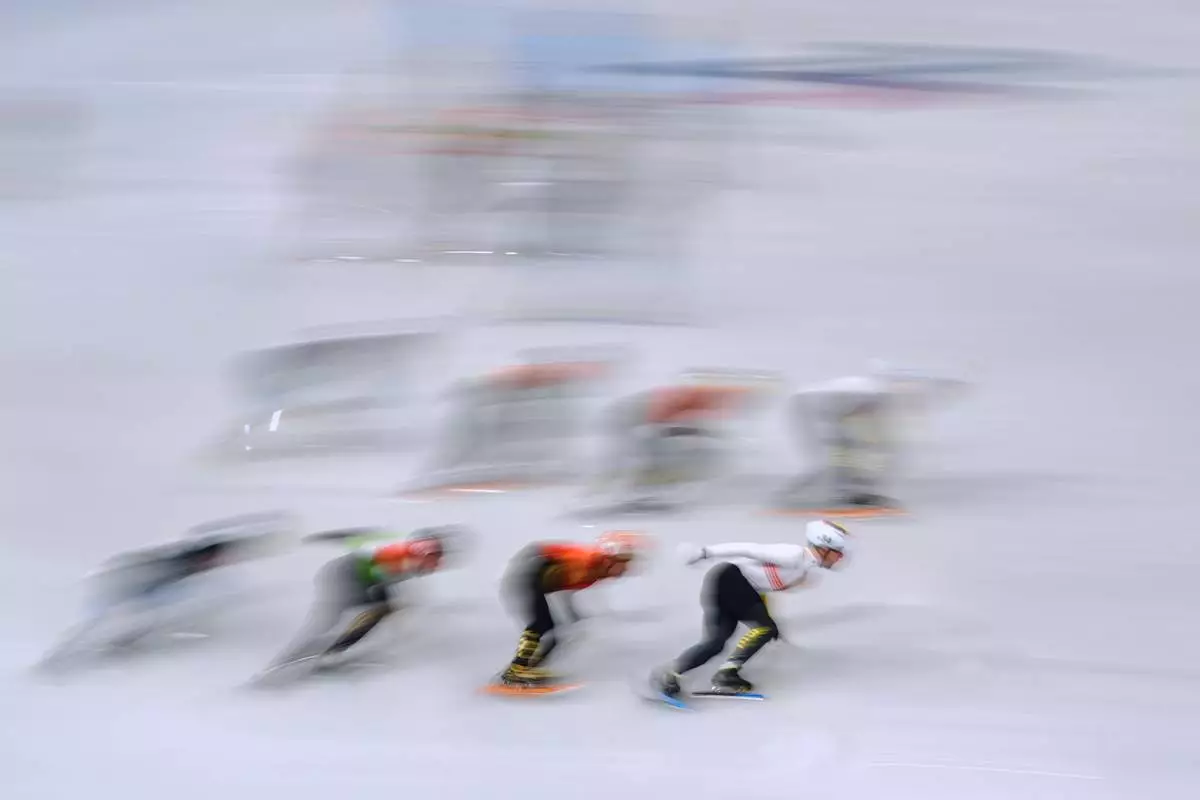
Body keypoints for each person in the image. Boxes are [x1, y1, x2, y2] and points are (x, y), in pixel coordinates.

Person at [40, 513, 289, 668]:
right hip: (128, 584)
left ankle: (122, 643)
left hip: (148, 591)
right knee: (105, 620)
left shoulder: (203, 562)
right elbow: (139, 574)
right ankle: (62, 658)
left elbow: (235, 541)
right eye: (210, 559)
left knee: (154, 616)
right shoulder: (175, 560)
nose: (215, 563)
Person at [651, 519, 848, 697]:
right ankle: (726, 675)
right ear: (824, 548)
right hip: (731, 580)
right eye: (838, 552)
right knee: (764, 629)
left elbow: (760, 589)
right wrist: (705, 552)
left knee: (716, 642)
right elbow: (748, 548)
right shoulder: (794, 555)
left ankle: (670, 674)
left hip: (730, 584)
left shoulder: (802, 569)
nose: (840, 558)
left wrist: (771, 622)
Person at [261, 525, 465, 674]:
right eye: (433, 559)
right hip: (347, 577)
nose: (434, 566)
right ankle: (296, 658)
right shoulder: (401, 551)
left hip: (359, 579)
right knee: (342, 619)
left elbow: (355, 536)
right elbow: (362, 546)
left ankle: (322, 653)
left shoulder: (407, 551)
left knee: (373, 612)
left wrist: (320, 536)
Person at [780, 362, 967, 510]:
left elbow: (862, 425)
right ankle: (803, 497)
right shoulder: (878, 392)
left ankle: (852, 493)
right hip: (809, 408)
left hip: (824, 408)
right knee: (837, 458)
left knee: (856, 453)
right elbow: (859, 423)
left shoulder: (879, 392)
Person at [596, 369, 779, 502]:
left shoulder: (710, 399)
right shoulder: (690, 401)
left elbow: (700, 428)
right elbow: (662, 429)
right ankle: (644, 484)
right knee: (655, 449)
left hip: (649, 419)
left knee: (680, 447)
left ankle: (649, 482)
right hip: (639, 420)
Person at [497, 530, 648, 687]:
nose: (626, 569)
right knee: (541, 625)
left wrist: (571, 612)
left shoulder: (596, 572)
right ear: (609, 560)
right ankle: (517, 669)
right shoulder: (585, 562)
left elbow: (564, 586)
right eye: (624, 563)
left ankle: (527, 669)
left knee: (556, 635)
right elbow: (539, 554)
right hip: (530, 573)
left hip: (538, 576)